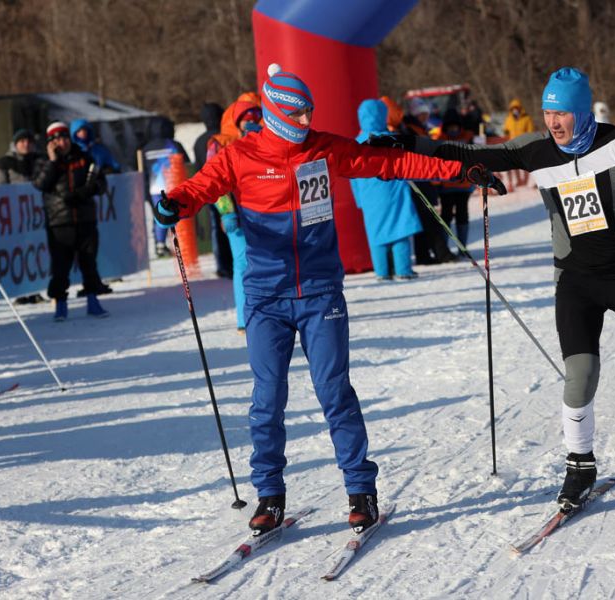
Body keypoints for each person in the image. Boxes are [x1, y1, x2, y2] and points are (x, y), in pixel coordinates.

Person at [380, 67, 615, 509]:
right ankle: (580, 466)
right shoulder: (536, 150)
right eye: (548, 113)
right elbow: (471, 152)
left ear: (582, 111)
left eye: (561, 112)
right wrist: (408, 142)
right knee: (579, 378)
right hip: (574, 280)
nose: (553, 122)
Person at [152, 65, 500, 534]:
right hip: (266, 297)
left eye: (309, 112)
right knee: (267, 398)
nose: (304, 120)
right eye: (297, 113)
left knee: (335, 392)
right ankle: (270, 495)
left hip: (319, 293)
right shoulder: (242, 155)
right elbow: (200, 188)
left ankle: (361, 491)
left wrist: (460, 169)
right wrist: (175, 203)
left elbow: (389, 163)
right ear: (276, 113)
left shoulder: (322, 147)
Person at [33, 122, 110, 321]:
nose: (63, 142)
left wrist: (87, 190)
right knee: (60, 267)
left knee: (89, 263)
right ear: (50, 142)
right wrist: (52, 161)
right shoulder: (44, 161)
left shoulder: (83, 158)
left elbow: (101, 183)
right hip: (59, 221)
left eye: (65, 137)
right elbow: (40, 184)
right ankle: (60, 305)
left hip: (85, 219)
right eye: (57, 139)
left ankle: (93, 301)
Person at [206, 92, 264, 330]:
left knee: (266, 262)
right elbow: (214, 178)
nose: (251, 120)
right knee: (243, 264)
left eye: (256, 115)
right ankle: (245, 317)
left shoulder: (264, 137)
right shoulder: (219, 143)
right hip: (237, 214)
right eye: (246, 115)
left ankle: (267, 315)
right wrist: (226, 211)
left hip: (265, 210)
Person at [350, 99, 422, 281]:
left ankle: (381, 272)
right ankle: (403, 270)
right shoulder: (391, 140)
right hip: (394, 192)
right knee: (400, 230)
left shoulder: (356, 144)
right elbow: (406, 164)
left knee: (376, 234)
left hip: (369, 198)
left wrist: (359, 199)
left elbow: (350, 175)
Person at [0, 128, 48, 305]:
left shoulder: (40, 162)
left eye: (29, 141)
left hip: (36, 216)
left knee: (36, 254)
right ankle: (20, 292)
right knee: (18, 255)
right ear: (15, 144)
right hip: (14, 217)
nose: (26, 145)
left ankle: (35, 289)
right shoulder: (4, 163)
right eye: (22, 141)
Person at [400, 98, 457, 265]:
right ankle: (440, 253)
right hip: (418, 178)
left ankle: (424, 254)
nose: (425, 116)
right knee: (429, 216)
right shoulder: (410, 128)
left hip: (426, 177)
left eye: (426, 113)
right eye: (422, 113)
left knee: (427, 217)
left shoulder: (421, 128)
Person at [193, 102, 233, 279]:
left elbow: (197, 168)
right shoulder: (225, 137)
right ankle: (232, 261)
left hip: (209, 190)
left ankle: (221, 264)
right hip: (227, 189)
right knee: (232, 225)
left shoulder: (199, 141)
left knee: (216, 227)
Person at [140, 116, 190, 257]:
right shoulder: (174, 145)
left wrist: (145, 192)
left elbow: (142, 171)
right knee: (180, 214)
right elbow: (187, 164)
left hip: (155, 188)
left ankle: (160, 245)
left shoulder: (146, 149)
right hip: (175, 185)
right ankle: (183, 245)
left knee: (160, 216)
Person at [435, 108, 474, 252]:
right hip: (446, 185)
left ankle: (462, 246)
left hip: (463, 185)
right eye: (450, 128)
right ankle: (445, 247)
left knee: (462, 214)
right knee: (446, 214)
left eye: (455, 127)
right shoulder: (440, 140)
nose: (453, 130)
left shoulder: (467, 138)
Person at [503, 99, 535, 188]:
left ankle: (525, 180)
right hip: (512, 145)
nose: (515, 110)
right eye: (513, 108)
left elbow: (530, 131)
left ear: (520, 108)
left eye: (516, 108)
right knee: (514, 164)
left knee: (525, 163)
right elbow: (505, 131)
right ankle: (518, 180)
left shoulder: (526, 118)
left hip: (524, 144)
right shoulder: (508, 119)